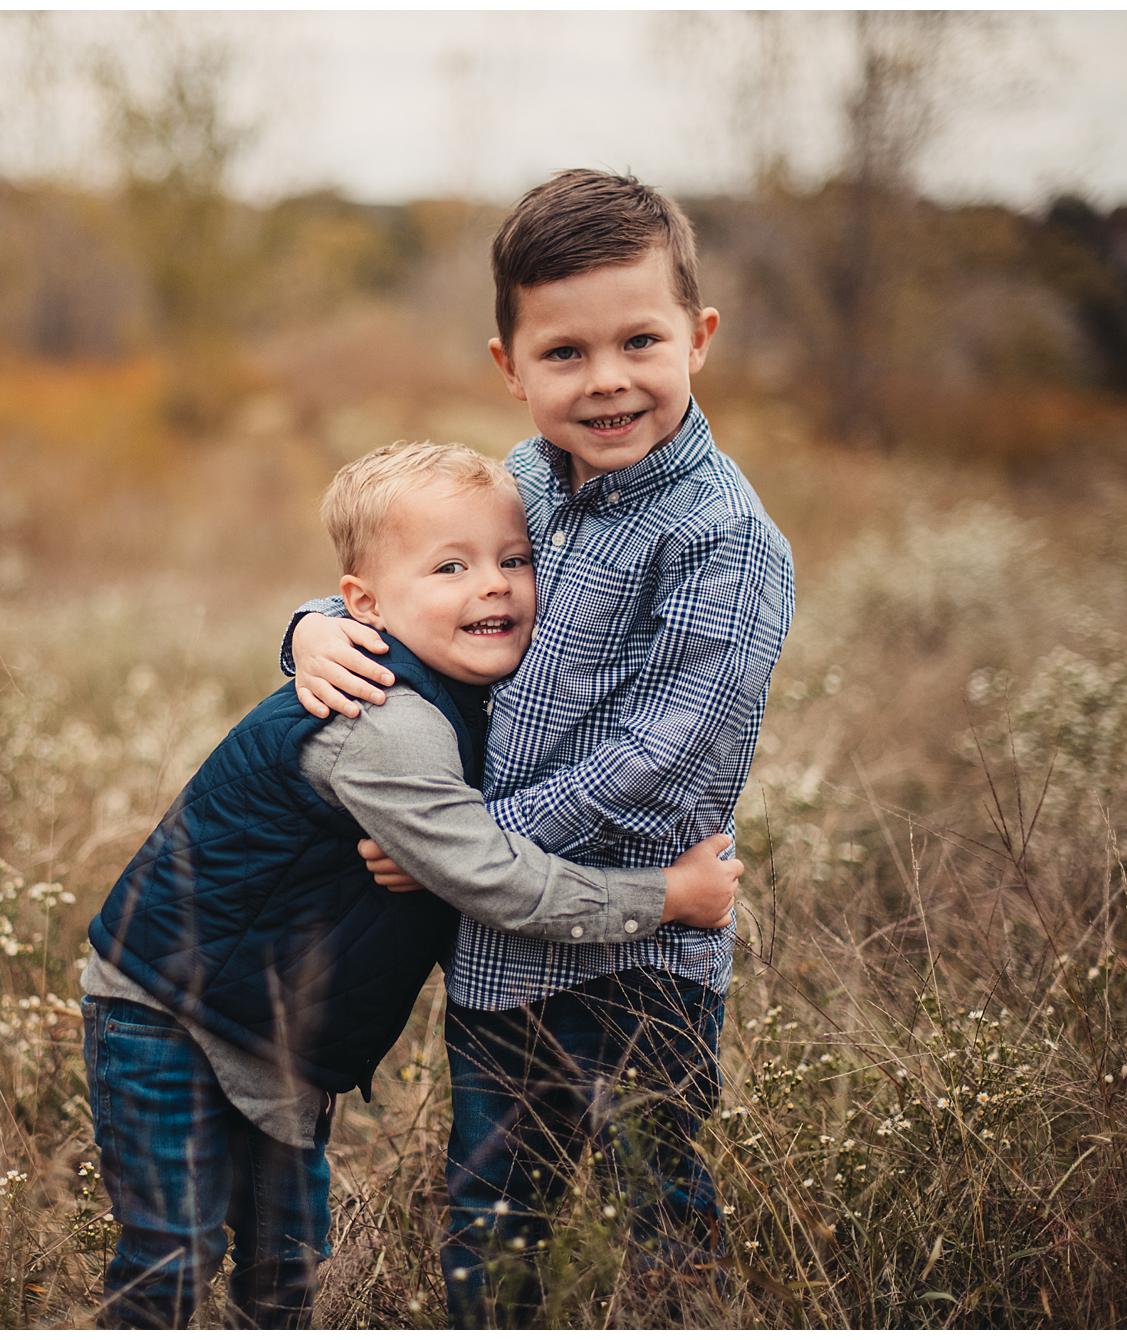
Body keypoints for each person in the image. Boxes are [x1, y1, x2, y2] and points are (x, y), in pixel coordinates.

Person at [82, 440, 745, 1328]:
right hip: (169, 1009)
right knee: (174, 1253)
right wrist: (668, 898)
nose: (494, 586)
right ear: (365, 606)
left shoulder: (470, 690)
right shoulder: (387, 722)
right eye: (451, 567)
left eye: (515, 561)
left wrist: (310, 625)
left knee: (286, 1266)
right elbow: (497, 881)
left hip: (275, 1029)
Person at [285, 171, 795, 1324]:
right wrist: (312, 626)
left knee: (656, 1206)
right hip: (498, 953)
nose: (605, 378)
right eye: (564, 352)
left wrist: (456, 844)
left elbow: (659, 758)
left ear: (697, 337)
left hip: (640, 954)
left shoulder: (724, 540)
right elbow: (408, 591)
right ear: (509, 367)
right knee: (489, 1213)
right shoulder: (516, 482)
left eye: (638, 341)